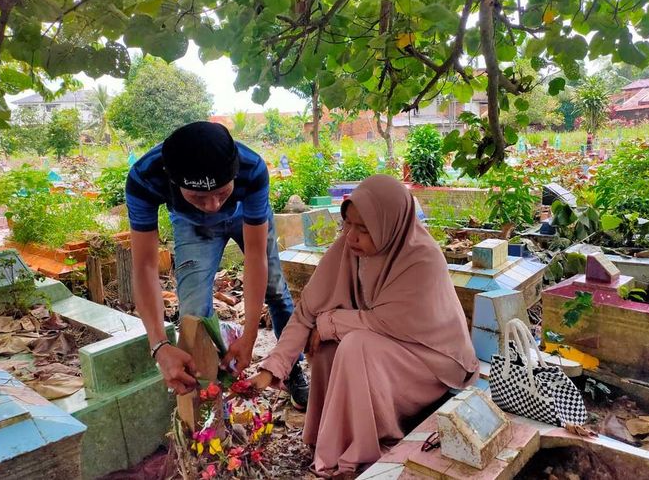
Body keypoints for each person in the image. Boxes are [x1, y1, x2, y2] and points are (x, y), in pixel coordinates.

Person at [250, 174, 479, 477]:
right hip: (382, 348)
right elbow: (307, 312)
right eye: (349, 224)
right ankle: (330, 439)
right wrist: (270, 370)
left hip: (431, 362)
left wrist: (330, 322)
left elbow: (388, 321)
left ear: (390, 225)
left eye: (364, 228)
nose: (352, 236)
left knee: (354, 344)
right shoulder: (349, 248)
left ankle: (364, 448)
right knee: (328, 348)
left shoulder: (422, 259)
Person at [125, 121, 309, 409]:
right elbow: (145, 267)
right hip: (191, 224)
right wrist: (159, 346)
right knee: (194, 312)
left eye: (222, 192)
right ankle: (209, 390)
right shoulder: (144, 177)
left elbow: (256, 258)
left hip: (246, 216)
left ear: (235, 172)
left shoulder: (252, 168)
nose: (213, 205)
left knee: (274, 289)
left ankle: (291, 368)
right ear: (173, 182)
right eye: (199, 196)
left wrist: (249, 337)